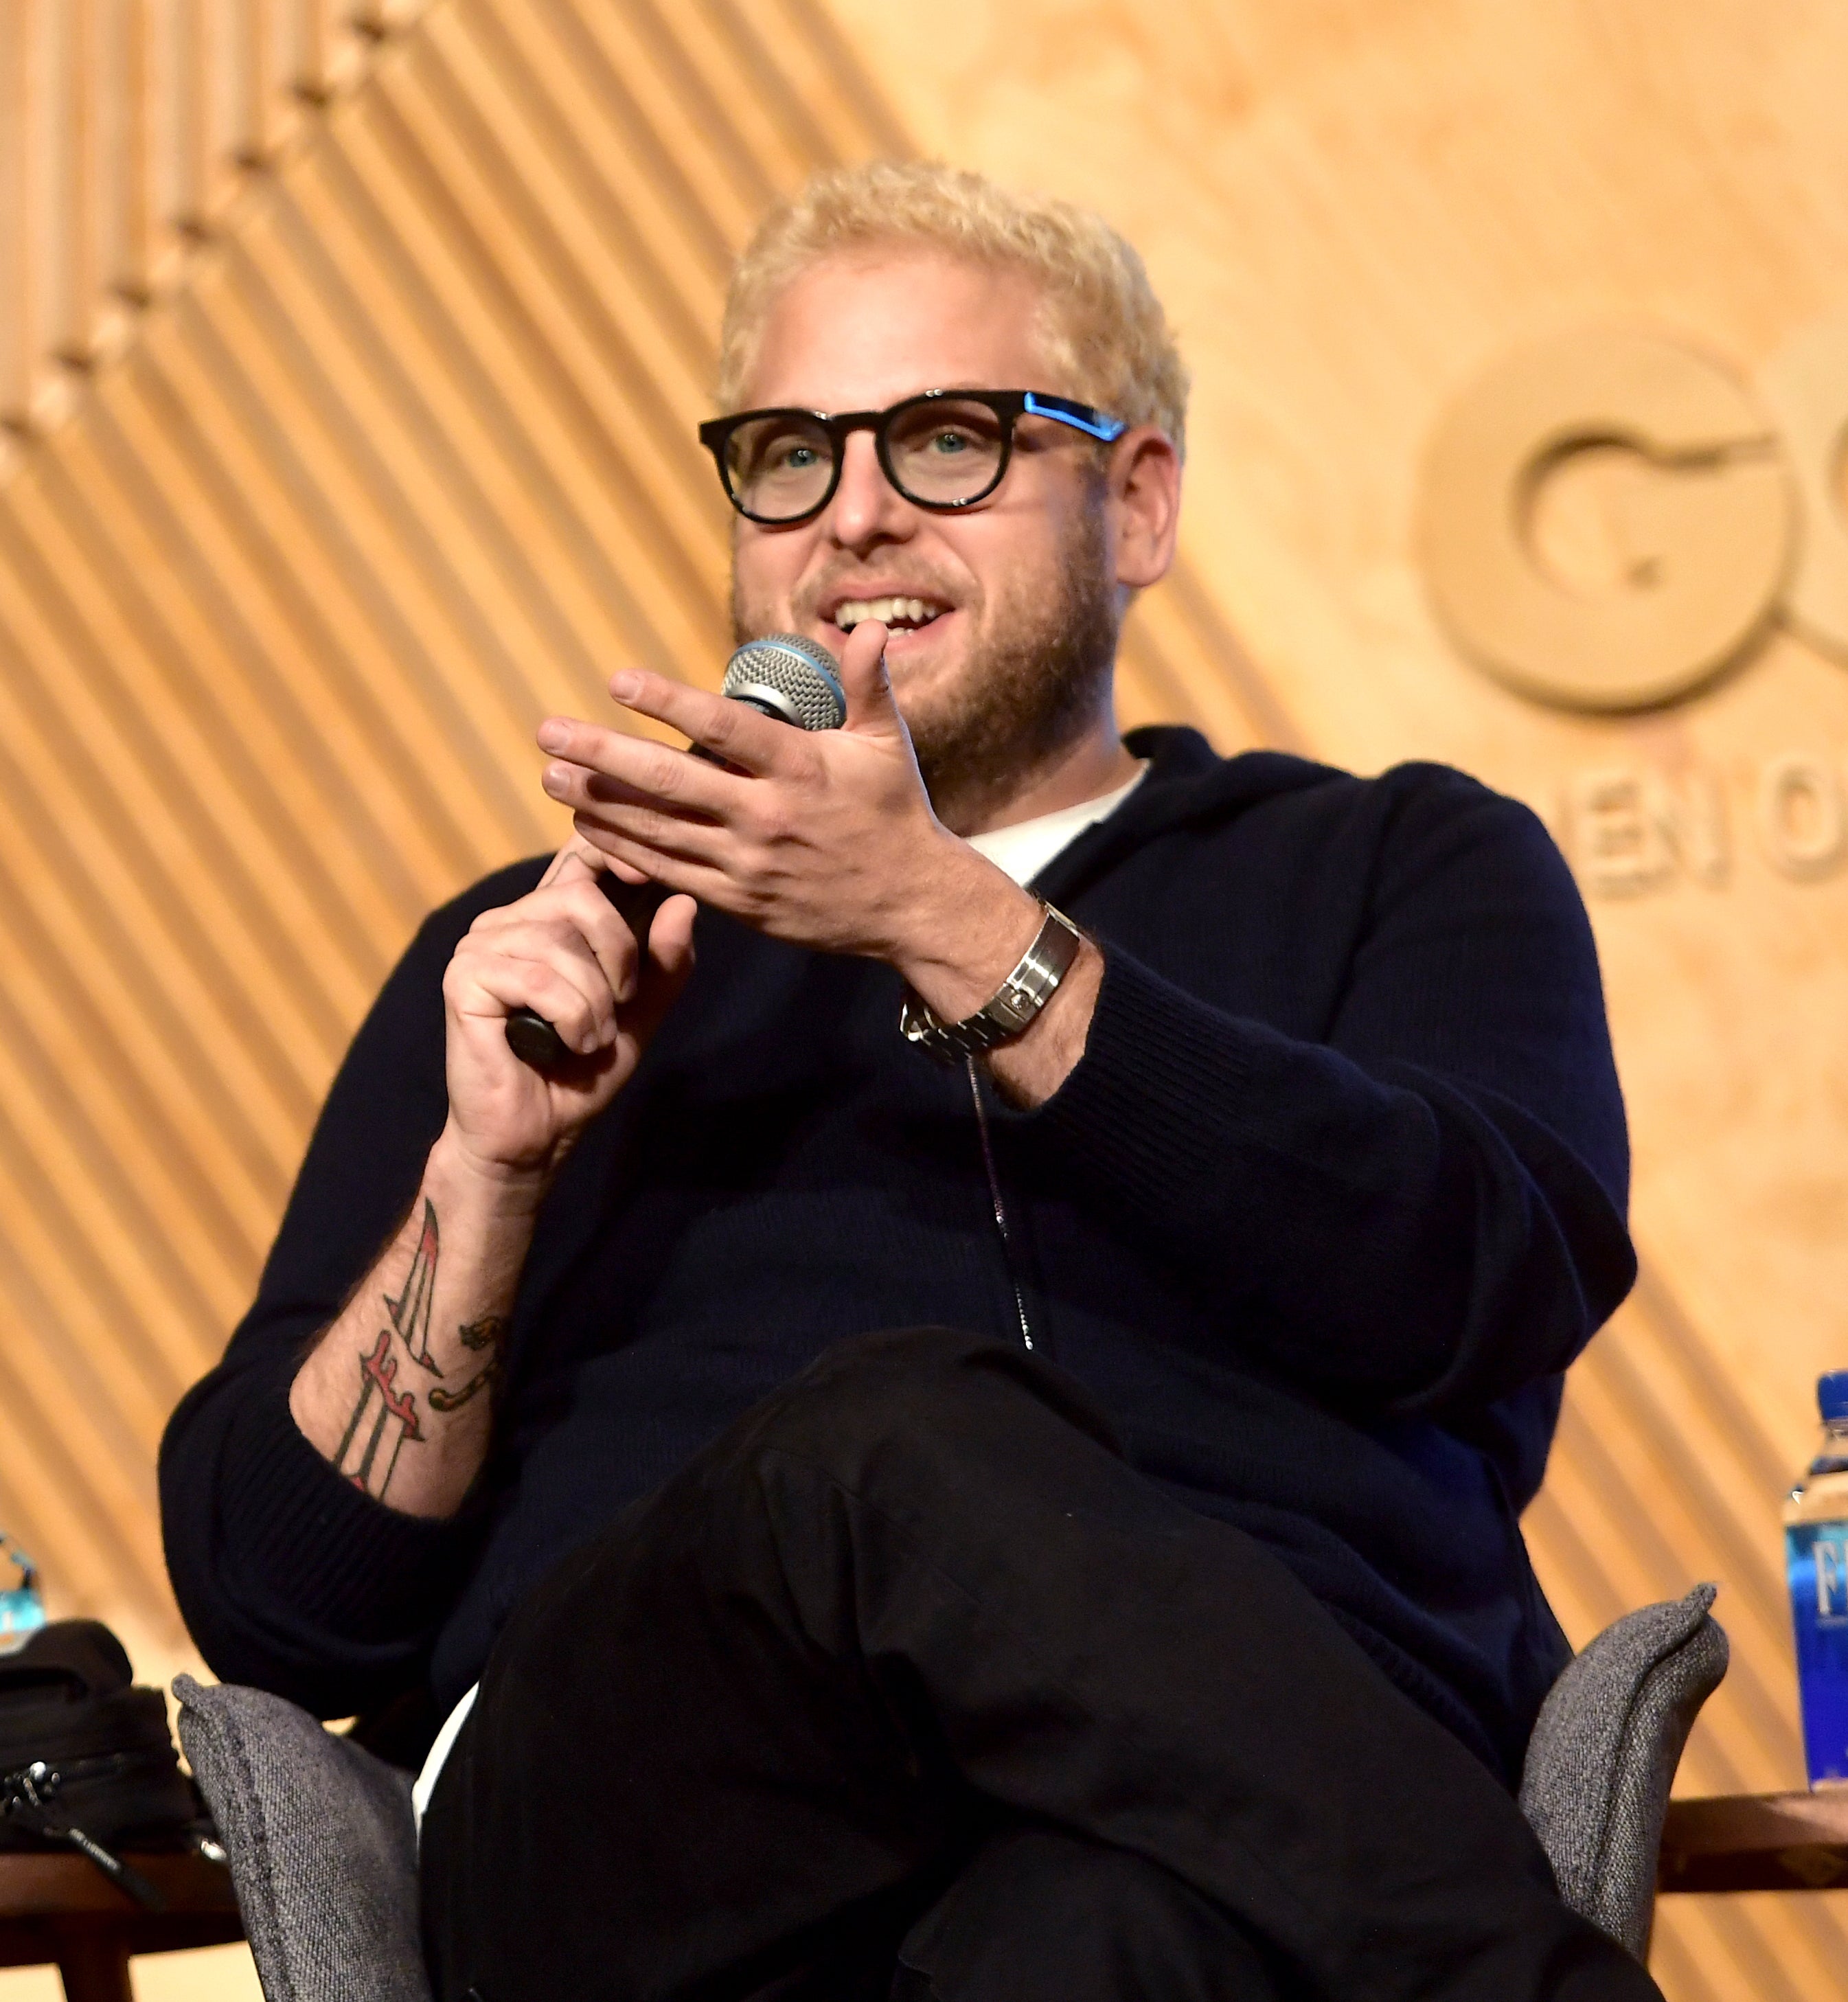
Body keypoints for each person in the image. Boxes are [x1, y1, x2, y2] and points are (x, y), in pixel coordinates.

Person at [159, 162, 1656, 2001]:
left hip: (1239, 1804)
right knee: (881, 1451)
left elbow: (1479, 1284)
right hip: (644, 1829)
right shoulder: (550, 951)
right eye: (790, 451)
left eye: (946, 437)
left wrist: (954, 928)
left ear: (1139, 500)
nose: (853, 516)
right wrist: (487, 1175)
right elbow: (277, 1601)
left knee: (1093, 1934)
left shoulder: (1395, 864)